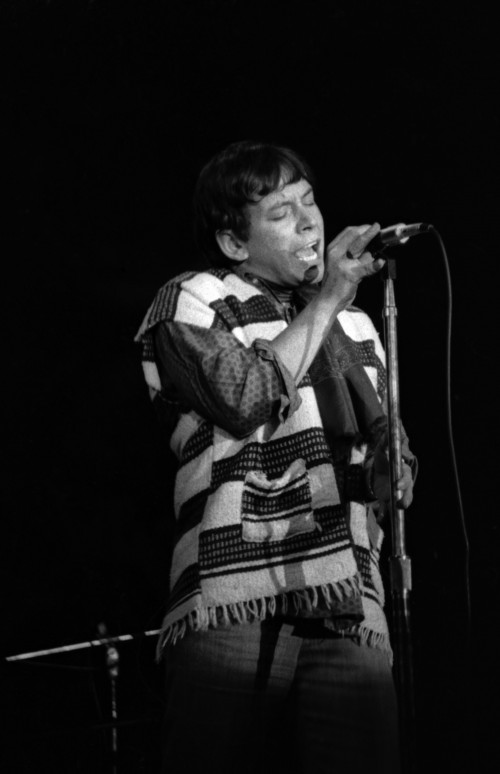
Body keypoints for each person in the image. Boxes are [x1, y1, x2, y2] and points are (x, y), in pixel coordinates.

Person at [135, 140, 417, 774]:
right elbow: (243, 398)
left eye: (309, 199)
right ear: (236, 243)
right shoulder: (193, 299)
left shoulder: (358, 325)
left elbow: (391, 445)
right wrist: (325, 305)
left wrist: (393, 471)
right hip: (235, 596)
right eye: (282, 210)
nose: (310, 218)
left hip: (349, 599)